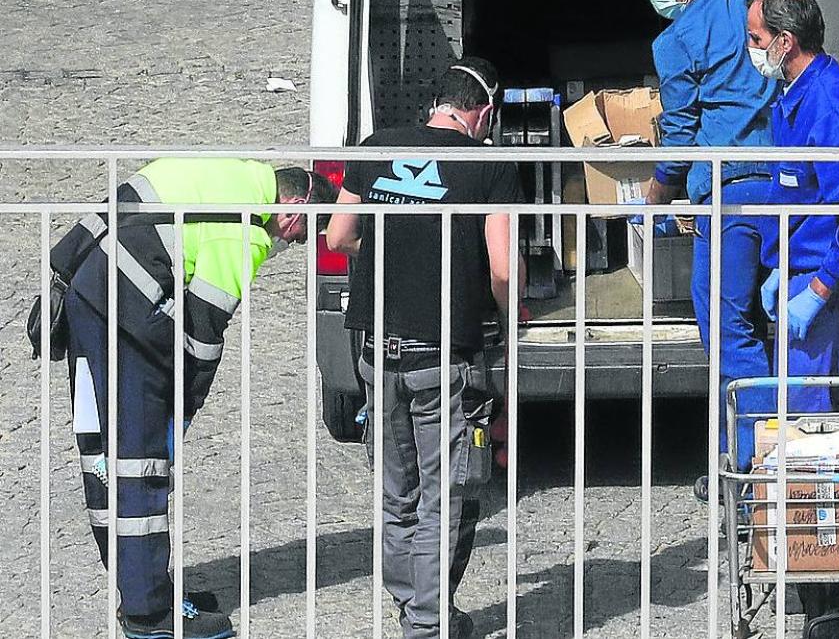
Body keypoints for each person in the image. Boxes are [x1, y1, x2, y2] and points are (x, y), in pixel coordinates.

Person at [57, 158, 334, 639]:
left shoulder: (219, 174)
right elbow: (204, 331)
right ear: (295, 205)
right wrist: (183, 406)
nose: (292, 242)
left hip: (87, 296)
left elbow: (111, 206)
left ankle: (140, 587)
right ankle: (150, 616)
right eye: (302, 232)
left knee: (102, 456)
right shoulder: (245, 230)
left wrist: (58, 276)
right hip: (128, 324)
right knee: (140, 465)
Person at [326, 57, 525, 639]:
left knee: (397, 494)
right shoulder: (486, 162)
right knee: (445, 496)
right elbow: (503, 269)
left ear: (434, 103)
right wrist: (511, 319)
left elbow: (339, 236)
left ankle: (413, 607)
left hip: (375, 352)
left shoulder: (376, 146)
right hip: (443, 357)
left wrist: (397, 249)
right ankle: (429, 624)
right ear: (481, 113)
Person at [746, 0, 839, 630]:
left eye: (756, 40)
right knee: (807, 435)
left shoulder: (827, 102)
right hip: (804, 285)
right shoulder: (795, 95)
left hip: (826, 298)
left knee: (813, 441)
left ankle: (827, 596)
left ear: (786, 41)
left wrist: (817, 290)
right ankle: (819, 582)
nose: (752, 50)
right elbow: (799, 194)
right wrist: (778, 268)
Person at [637, 0, 779, 480]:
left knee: (726, 326)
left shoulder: (674, 42)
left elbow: (679, 133)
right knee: (773, 320)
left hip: (729, 194)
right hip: (785, 185)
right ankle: (771, 443)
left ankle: (750, 462)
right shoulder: (754, 14)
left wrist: (654, 196)